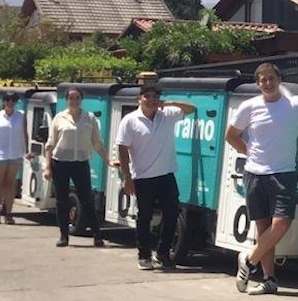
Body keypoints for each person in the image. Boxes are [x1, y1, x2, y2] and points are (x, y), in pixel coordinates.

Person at [224, 63, 298, 295]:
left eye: (271, 78)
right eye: (263, 80)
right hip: (255, 174)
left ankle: (248, 258)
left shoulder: (295, 104)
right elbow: (231, 135)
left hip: (284, 173)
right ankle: (269, 280)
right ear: (258, 83)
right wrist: (249, 152)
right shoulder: (249, 106)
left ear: (279, 79)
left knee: (281, 224)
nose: (267, 83)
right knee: (263, 227)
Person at [115, 85, 197, 271]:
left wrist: (168, 103)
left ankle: (162, 253)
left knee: (171, 215)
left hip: (166, 175)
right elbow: (122, 148)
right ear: (139, 99)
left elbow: (191, 109)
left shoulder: (166, 115)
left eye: (155, 96)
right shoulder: (130, 120)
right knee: (144, 217)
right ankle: (144, 255)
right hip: (143, 177)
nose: (151, 99)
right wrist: (127, 177)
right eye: (147, 96)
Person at [44, 87, 108, 248]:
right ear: (67, 100)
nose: (74, 100)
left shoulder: (89, 118)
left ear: (81, 99)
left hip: (80, 162)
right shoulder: (59, 118)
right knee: (62, 201)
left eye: (77, 97)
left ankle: (97, 235)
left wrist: (108, 160)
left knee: (87, 200)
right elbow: (50, 144)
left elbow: (97, 143)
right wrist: (47, 167)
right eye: (71, 98)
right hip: (61, 162)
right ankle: (64, 236)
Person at [0, 92, 25, 225]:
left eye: (13, 100)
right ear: (4, 101)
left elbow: (25, 135)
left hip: (14, 155)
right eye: (7, 99)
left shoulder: (21, 116)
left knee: (10, 184)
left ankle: (8, 213)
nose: (10, 102)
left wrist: (26, 152)